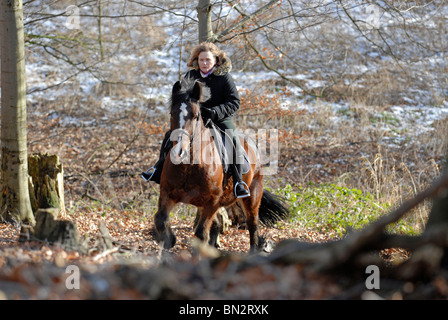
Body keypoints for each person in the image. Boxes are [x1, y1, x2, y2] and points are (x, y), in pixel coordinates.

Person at [142, 42, 250, 198]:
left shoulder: (224, 77)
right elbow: (182, 99)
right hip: (195, 119)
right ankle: (158, 168)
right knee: (169, 136)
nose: (204, 63)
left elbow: (234, 102)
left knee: (232, 140)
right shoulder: (191, 76)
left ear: (216, 61)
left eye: (208, 60)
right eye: (201, 60)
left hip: (219, 118)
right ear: (196, 61)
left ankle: (239, 182)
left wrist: (215, 111)